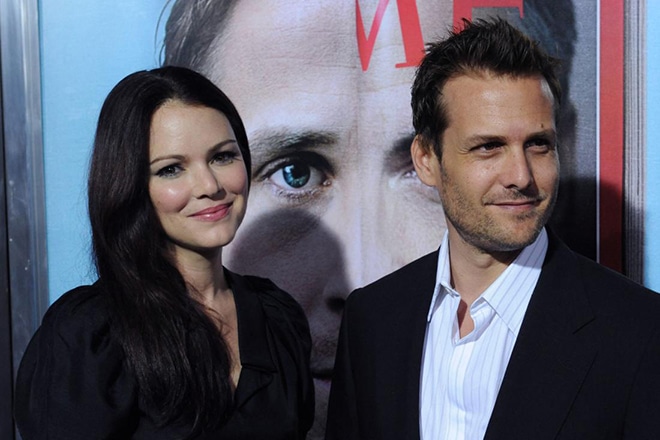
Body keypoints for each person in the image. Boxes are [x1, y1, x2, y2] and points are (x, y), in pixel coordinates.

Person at [163, 2, 589, 438]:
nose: (363, 280)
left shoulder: (621, 342)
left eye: (421, 175)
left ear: (563, 150)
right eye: (296, 173)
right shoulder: (118, 372)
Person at [326, 18, 660, 440]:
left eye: (538, 144)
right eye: (489, 147)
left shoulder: (639, 331)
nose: (521, 176)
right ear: (427, 159)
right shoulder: (372, 320)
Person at [14, 66, 314, 439]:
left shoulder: (277, 318)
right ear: (131, 185)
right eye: (171, 169)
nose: (209, 186)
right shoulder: (90, 335)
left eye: (222, 156)